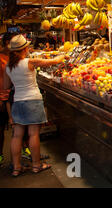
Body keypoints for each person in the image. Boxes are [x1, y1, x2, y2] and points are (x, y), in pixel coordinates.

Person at [5, 34, 66, 177]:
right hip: (32, 100)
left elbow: (6, 86)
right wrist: (63, 56)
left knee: (17, 135)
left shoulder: (8, 66)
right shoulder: (30, 62)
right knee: (33, 134)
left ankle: (16, 167)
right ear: (24, 48)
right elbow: (54, 61)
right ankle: (37, 165)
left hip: (18, 101)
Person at [0, 33, 14, 165]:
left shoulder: (15, 56)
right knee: (0, 129)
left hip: (14, 96)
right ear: (5, 42)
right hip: (2, 97)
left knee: (18, 127)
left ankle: (24, 152)